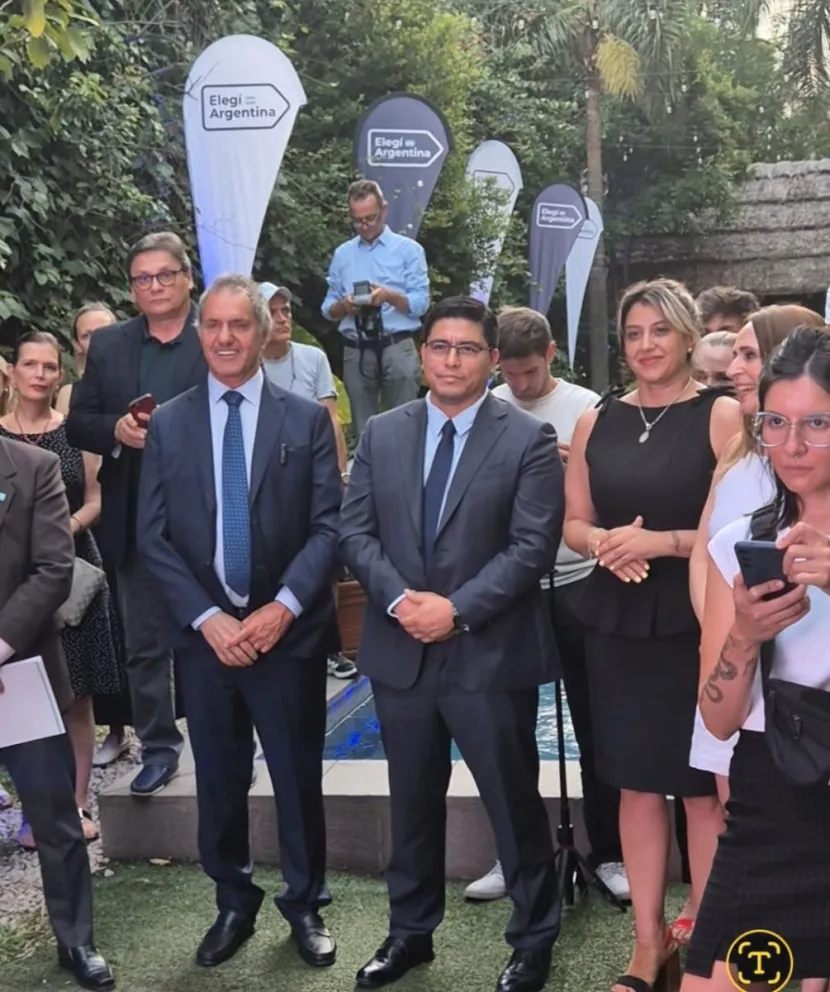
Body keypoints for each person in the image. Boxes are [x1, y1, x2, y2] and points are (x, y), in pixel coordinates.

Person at [340, 296, 563, 992]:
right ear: (423, 352)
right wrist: (404, 602)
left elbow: (532, 548)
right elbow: (354, 533)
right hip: (401, 651)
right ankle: (410, 934)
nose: (452, 360)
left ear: (492, 359)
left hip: (488, 655)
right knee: (410, 801)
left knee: (512, 800)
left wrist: (457, 610)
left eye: (468, 348)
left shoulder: (526, 440)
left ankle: (533, 939)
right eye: (440, 346)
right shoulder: (382, 433)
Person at [137, 274, 341, 971]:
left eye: (239, 326)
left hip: (286, 636)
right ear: (200, 333)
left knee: (295, 775)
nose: (225, 338)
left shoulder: (306, 420)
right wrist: (207, 620)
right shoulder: (167, 423)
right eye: (214, 326)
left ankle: (305, 900)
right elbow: (152, 537)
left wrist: (282, 608)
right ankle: (232, 901)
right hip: (206, 642)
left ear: (263, 332)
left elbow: (328, 527)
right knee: (218, 779)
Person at [563, 278, 742, 992]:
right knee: (635, 785)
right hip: (614, 618)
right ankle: (646, 941)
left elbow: (734, 522)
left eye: (658, 332)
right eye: (633, 333)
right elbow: (572, 521)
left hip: (694, 617)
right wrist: (605, 541)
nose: (645, 346)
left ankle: (699, 926)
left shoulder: (721, 415)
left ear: (687, 335)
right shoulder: (594, 419)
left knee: (699, 790)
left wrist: (659, 544)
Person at [682, 326, 830, 992]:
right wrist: (743, 634)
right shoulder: (744, 543)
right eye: (777, 422)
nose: (793, 446)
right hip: (776, 794)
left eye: (817, 423)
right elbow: (716, 722)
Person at [465, 305, 628, 905]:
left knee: (597, 725)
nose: (520, 385)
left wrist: (575, 468)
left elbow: (616, 493)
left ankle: (610, 852)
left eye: (529, 373)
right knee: (504, 731)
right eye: (509, 373)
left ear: (551, 355)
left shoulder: (588, 407)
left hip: (581, 578)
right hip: (509, 588)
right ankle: (515, 855)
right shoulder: (485, 406)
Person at [66, 231, 208, 798]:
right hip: (135, 518)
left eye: (164, 275)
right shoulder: (110, 346)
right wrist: (117, 431)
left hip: (208, 517)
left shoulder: (216, 335)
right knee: (145, 645)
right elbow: (79, 422)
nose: (154, 286)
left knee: (214, 639)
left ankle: (229, 745)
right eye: (142, 278)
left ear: (187, 277)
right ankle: (158, 749)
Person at [0, 432, 115, 991]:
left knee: (54, 817)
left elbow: (52, 569)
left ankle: (75, 939)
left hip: (18, 672)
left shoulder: (34, 467)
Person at [1, 333, 124, 846]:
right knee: (13, 701)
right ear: (13, 371)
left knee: (74, 693)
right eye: (29, 363)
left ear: (59, 375)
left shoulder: (74, 432)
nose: (39, 374)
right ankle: (29, 806)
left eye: (49, 366)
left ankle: (74, 803)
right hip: (12, 589)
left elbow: (96, 498)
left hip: (71, 572)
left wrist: (57, 527)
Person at [258, 280, 357, 680]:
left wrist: (340, 471)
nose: (282, 318)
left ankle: (330, 646)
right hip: (268, 478)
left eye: (286, 311)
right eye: (273, 312)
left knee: (324, 555)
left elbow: (330, 417)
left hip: (312, 469)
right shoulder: (247, 363)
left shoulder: (312, 358)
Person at [56, 302, 131, 769]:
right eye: (86, 335)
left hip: (116, 517)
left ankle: (134, 726)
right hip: (82, 532)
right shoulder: (66, 395)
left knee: (124, 633)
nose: (95, 342)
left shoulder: (129, 379)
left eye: (103, 331)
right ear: (77, 343)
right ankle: (113, 728)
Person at [321, 179, 429, 438]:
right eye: (358, 221)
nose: (365, 226)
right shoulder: (343, 254)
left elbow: (421, 304)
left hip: (397, 344)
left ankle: (403, 477)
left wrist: (388, 296)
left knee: (404, 426)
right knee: (364, 429)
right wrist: (344, 306)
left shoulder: (409, 250)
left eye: (371, 218)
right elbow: (327, 308)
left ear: (384, 210)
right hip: (356, 346)